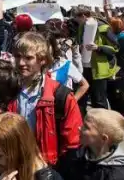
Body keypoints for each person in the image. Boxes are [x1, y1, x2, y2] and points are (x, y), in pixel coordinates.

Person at [8, 32, 83, 165]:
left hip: (47, 165)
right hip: (14, 161)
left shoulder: (60, 95)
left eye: (28, 58)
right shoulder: (8, 89)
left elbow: (72, 141)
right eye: (18, 56)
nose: (21, 62)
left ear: (42, 59)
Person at [75, 6, 119, 109]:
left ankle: (102, 119)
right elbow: (79, 41)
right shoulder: (82, 27)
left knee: (98, 100)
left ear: (83, 16)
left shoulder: (103, 28)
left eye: (77, 17)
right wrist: (79, 46)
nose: (76, 20)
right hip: (83, 67)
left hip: (99, 70)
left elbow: (115, 48)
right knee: (82, 99)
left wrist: (98, 48)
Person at [45, 29, 89, 102]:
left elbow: (85, 85)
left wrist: (71, 102)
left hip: (59, 107)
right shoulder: (37, 65)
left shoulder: (65, 64)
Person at [106, 17, 124, 124]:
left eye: (110, 25)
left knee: (118, 92)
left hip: (122, 68)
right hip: (115, 68)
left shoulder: (123, 37)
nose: (108, 27)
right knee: (111, 92)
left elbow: (115, 50)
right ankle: (116, 115)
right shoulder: (116, 36)